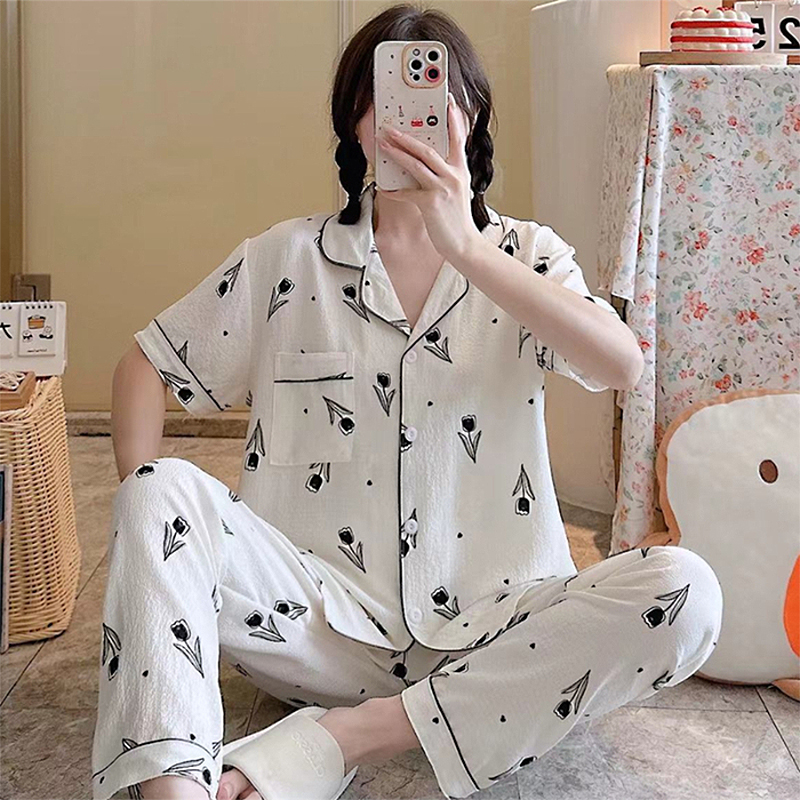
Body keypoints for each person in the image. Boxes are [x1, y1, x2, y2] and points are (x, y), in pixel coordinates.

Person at [91, 4, 723, 800]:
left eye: (433, 97)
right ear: (353, 124)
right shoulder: (286, 258)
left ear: (472, 116)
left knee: (687, 592)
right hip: (311, 628)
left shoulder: (526, 255)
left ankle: (349, 736)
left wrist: (466, 248)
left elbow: (621, 362)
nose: (407, 122)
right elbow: (144, 366)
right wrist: (154, 547)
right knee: (157, 490)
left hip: (502, 633)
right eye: (384, 99)